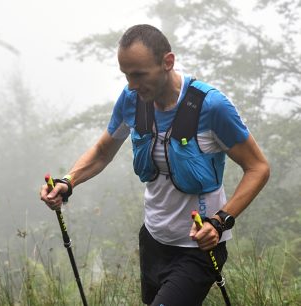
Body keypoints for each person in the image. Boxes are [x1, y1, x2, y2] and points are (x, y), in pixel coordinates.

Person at [40, 24, 270, 306]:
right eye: (126, 75)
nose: (132, 85)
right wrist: (68, 181)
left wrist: (221, 221)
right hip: (153, 240)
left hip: (198, 248)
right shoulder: (132, 100)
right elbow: (102, 151)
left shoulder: (210, 107)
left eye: (139, 74)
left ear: (167, 62)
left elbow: (258, 167)